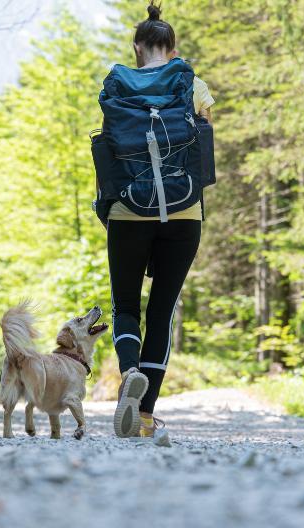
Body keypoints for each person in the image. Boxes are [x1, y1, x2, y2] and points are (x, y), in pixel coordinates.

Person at [109, 1, 214, 438]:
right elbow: (204, 140)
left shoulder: (118, 84)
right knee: (162, 310)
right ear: (172, 47)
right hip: (184, 209)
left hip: (128, 208)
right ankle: (146, 416)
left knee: (126, 307)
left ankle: (129, 371)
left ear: (138, 46)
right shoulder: (193, 83)